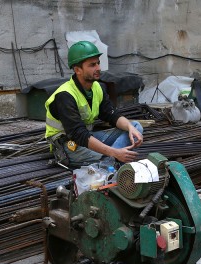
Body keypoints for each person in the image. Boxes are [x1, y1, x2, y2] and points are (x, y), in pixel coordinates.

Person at [45, 40, 143, 168]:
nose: (98, 68)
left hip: (87, 137)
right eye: (92, 65)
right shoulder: (65, 95)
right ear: (77, 70)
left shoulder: (97, 87)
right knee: (110, 156)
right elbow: (78, 134)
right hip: (68, 145)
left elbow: (111, 114)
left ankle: (111, 160)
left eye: (98, 63)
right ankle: (112, 159)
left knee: (135, 126)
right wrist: (114, 152)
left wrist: (130, 128)